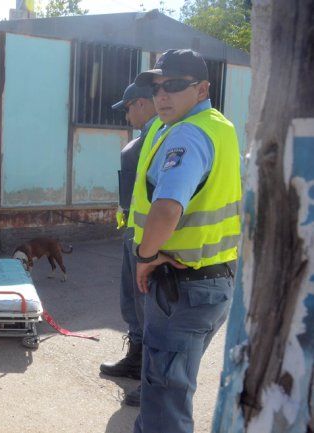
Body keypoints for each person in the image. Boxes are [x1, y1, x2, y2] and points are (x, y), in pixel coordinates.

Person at [128, 49, 241, 433]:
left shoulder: (188, 135)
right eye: (157, 86)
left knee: (165, 400)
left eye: (175, 86)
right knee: (167, 390)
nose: (162, 95)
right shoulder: (216, 126)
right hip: (211, 281)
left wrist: (144, 256)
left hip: (183, 287)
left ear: (202, 88)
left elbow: (166, 209)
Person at [99, 82, 158, 407]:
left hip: (149, 237)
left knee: (147, 305)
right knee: (132, 301)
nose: (126, 114)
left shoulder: (162, 134)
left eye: (128, 107)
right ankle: (135, 358)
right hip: (134, 231)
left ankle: (152, 377)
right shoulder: (146, 136)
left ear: (141, 103)